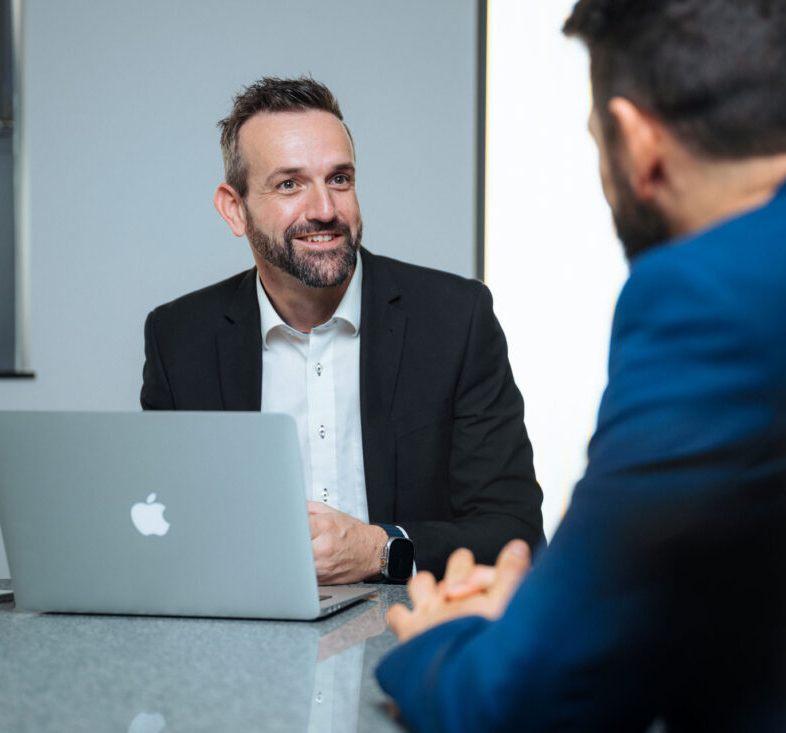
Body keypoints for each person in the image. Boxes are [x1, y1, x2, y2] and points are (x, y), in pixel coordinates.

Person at [376, 0, 786, 729]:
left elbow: (528, 699)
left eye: (599, 141)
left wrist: (452, 638)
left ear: (637, 140)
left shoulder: (712, 296)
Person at [141, 77, 543, 584]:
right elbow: (163, 532)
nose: (325, 210)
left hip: (410, 637)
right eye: (289, 184)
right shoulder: (179, 339)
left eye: (339, 179)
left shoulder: (455, 320)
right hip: (242, 640)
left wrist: (381, 549)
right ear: (234, 208)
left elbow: (515, 534)